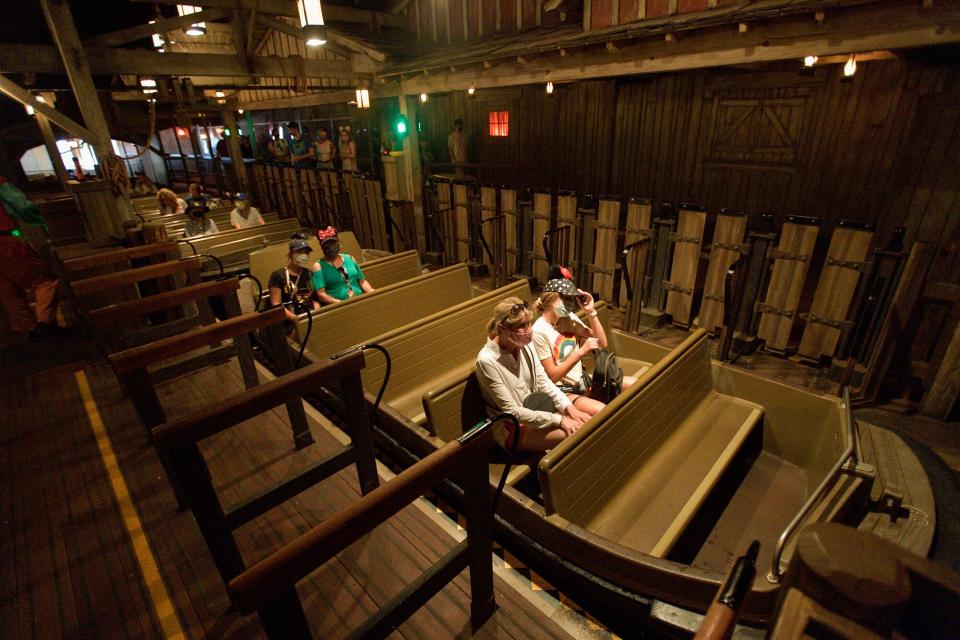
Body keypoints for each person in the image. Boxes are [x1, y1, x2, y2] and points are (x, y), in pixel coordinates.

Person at [475, 297, 592, 452]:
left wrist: (569, 408)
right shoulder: (487, 361)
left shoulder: (524, 343)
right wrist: (560, 419)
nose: (529, 329)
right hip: (510, 426)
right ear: (503, 329)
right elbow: (512, 411)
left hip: (538, 409)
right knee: (576, 434)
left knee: (587, 422)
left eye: (529, 322)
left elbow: (543, 381)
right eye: (522, 326)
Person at [532, 278, 634, 417]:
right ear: (551, 300)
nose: (570, 304)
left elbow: (602, 343)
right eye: (565, 298)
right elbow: (553, 377)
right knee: (601, 410)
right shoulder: (539, 331)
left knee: (635, 385)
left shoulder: (569, 318)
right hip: (561, 390)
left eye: (571, 299)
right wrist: (580, 352)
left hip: (582, 382)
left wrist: (590, 312)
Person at [0, 177, 61, 338]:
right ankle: (45, 324)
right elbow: (22, 206)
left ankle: (26, 329)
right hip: (6, 241)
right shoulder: (1, 184)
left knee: (9, 288)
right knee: (45, 281)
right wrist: (42, 218)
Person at [311, 225, 373, 304]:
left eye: (333, 242)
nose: (330, 247)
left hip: (360, 300)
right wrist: (338, 303)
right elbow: (321, 294)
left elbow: (362, 281)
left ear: (338, 242)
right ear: (321, 246)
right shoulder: (318, 266)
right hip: (338, 306)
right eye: (327, 244)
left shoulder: (350, 258)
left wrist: (371, 291)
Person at [268, 238, 320, 330]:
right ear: (291, 253)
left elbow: (315, 299)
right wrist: (295, 318)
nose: (304, 255)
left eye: (306, 252)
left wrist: (317, 314)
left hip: (311, 315)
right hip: (291, 320)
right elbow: (276, 304)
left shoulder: (308, 273)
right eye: (300, 251)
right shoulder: (278, 275)